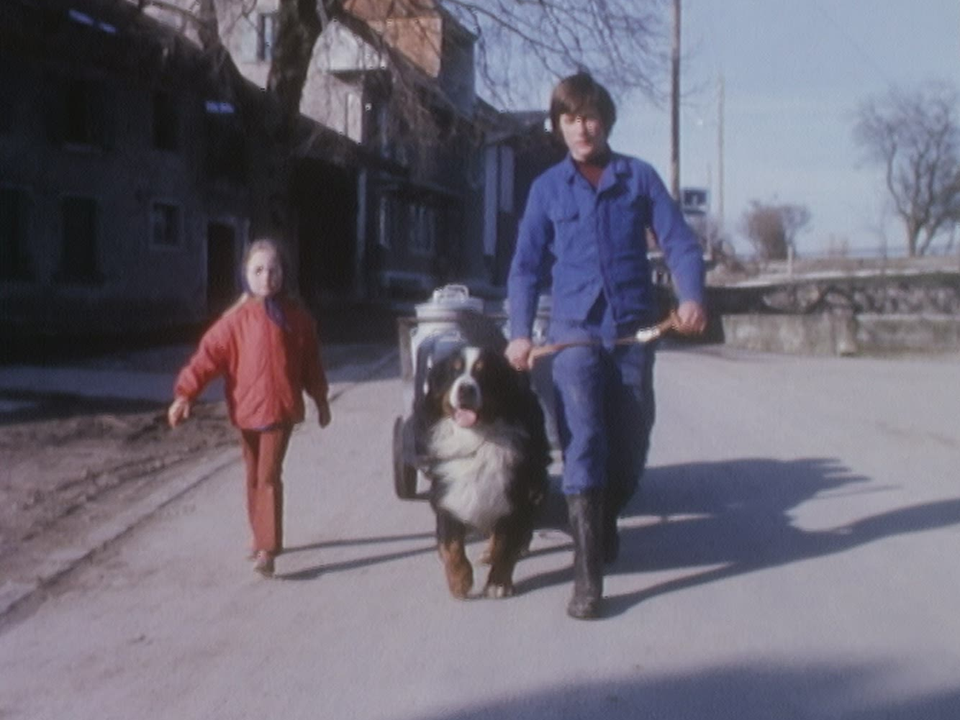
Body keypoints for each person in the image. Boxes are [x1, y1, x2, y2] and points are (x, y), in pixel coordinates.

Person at [505, 72, 707, 619]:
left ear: (607, 120)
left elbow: (681, 244)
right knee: (585, 438)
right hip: (572, 336)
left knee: (630, 443)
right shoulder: (548, 189)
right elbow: (524, 268)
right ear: (557, 126)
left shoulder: (636, 178)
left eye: (589, 116)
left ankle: (605, 516)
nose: (581, 128)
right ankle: (587, 576)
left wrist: (690, 297)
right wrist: (519, 332)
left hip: (632, 333)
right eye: (569, 119)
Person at [168, 238, 332, 578]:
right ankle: (260, 535)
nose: (267, 277)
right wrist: (185, 394)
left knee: (268, 475)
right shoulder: (234, 321)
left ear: (284, 274)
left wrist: (320, 399)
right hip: (246, 411)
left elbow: (311, 364)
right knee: (252, 474)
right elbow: (206, 357)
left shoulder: (297, 320)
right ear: (245, 274)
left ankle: (267, 549)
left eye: (273, 270)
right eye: (258, 270)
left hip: (280, 411)